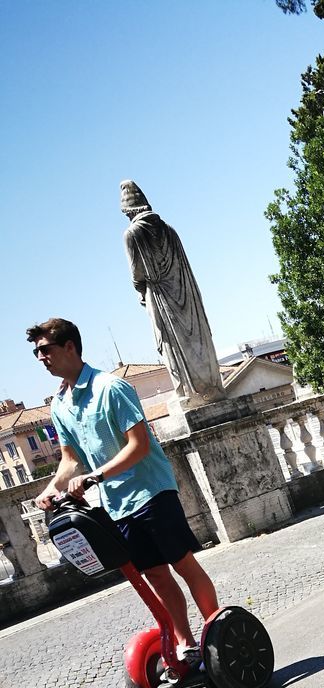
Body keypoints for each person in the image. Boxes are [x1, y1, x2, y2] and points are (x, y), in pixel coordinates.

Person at [28, 317, 218, 662]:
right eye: (36, 353)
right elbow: (69, 461)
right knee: (156, 576)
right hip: (117, 503)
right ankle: (186, 646)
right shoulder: (59, 405)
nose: (41, 357)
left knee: (182, 564)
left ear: (69, 346)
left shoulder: (109, 388)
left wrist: (95, 477)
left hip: (151, 491)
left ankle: (218, 634)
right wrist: (50, 488)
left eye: (45, 349)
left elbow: (140, 445)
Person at [120, 180, 225, 409]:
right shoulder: (170, 230)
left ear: (128, 211)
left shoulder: (132, 234)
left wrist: (142, 293)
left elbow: (137, 273)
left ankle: (187, 390)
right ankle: (211, 386)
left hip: (160, 297)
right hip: (186, 294)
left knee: (171, 344)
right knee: (197, 340)